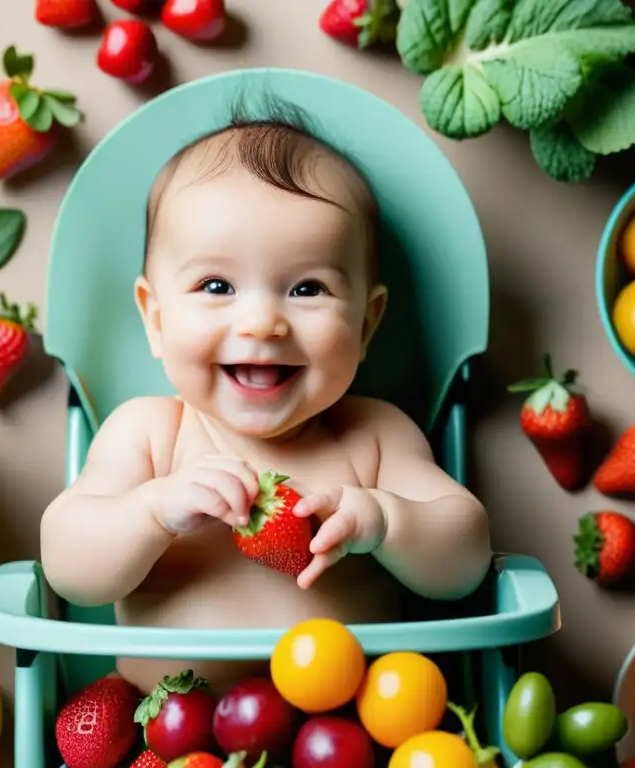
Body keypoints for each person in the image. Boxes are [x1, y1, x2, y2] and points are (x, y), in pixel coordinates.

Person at [40, 97, 493, 695]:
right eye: (216, 285)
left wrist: (386, 520)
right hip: (171, 732)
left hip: (352, 732)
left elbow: (465, 561)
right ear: (155, 318)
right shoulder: (150, 434)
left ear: (365, 325)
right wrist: (152, 511)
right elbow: (70, 568)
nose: (261, 322)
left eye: (307, 288)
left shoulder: (374, 438)